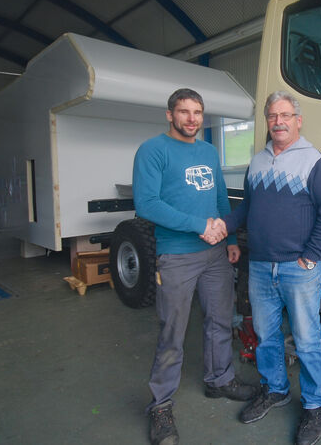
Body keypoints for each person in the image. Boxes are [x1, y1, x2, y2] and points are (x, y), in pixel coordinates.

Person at [210, 90, 321, 445]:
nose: (278, 122)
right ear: (267, 121)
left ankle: (314, 404)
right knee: (266, 335)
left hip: (298, 268)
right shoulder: (257, 162)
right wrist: (224, 225)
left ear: (298, 120)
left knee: (307, 339)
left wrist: (311, 255)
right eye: (272, 116)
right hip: (260, 266)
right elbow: (247, 208)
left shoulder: (314, 161)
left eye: (285, 115)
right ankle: (275, 389)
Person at [133, 88, 258, 445]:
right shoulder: (153, 150)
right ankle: (161, 405)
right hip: (177, 256)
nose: (192, 119)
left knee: (220, 320)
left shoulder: (208, 151)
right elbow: (146, 204)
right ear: (169, 115)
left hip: (216, 253)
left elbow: (219, 198)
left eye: (198, 112)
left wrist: (229, 239)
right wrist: (197, 225)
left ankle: (220, 379)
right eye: (184, 112)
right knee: (172, 332)